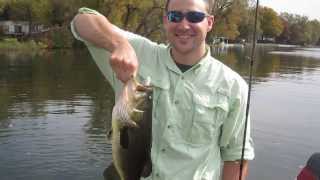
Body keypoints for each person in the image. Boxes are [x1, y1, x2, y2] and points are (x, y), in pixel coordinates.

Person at [70, 0, 254, 179]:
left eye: (194, 16)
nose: (183, 25)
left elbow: (236, 157)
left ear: (209, 22)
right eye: (175, 16)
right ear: (165, 20)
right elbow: (82, 20)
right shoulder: (139, 52)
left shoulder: (234, 86)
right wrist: (119, 44)